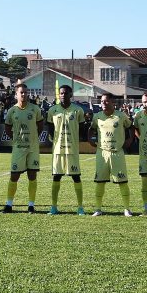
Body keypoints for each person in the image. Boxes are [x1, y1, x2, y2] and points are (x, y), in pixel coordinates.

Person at [44, 85, 89, 215]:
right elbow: (51, 129)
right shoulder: (52, 110)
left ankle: (80, 207)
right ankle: (53, 207)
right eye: (61, 93)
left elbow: (81, 129)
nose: (63, 95)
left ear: (70, 95)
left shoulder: (78, 110)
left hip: (72, 150)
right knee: (56, 177)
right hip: (58, 150)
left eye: (65, 93)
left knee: (76, 177)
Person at [89, 92, 134, 216]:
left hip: (117, 152)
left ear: (113, 102)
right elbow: (92, 129)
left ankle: (127, 209)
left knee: (122, 181)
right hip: (102, 153)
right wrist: (90, 139)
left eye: (106, 101)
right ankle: (98, 209)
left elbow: (131, 127)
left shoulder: (120, 116)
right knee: (100, 181)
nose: (103, 103)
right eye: (102, 101)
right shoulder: (97, 116)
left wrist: (130, 140)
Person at [3, 83, 43, 213]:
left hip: (32, 148)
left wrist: (34, 137)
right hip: (18, 148)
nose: (24, 94)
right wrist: (15, 139)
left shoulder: (35, 109)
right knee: (14, 175)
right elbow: (7, 127)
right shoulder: (12, 111)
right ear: (16, 94)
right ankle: (9, 204)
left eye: (26, 92)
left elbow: (40, 125)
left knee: (32, 175)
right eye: (22, 92)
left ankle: (31, 205)